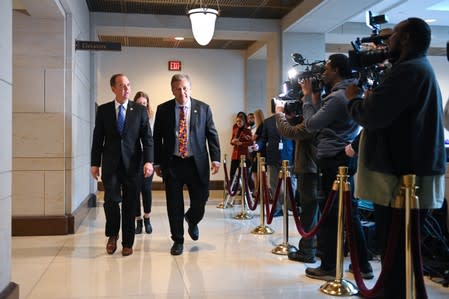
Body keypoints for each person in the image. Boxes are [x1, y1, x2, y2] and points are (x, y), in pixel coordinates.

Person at [346, 17, 446, 298]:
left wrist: (354, 99)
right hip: (405, 174)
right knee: (397, 246)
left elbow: (373, 116)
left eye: (392, 37)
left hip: (401, 180)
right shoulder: (415, 69)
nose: (386, 43)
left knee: (395, 244)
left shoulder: (409, 71)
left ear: (405, 40)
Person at [301, 54, 373, 281]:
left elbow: (311, 124)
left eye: (327, 69)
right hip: (342, 159)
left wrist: (306, 98)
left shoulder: (337, 98)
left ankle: (329, 266)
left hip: (334, 161)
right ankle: (363, 265)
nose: (323, 73)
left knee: (331, 215)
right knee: (349, 214)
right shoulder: (346, 93)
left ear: (338, 71)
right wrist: (315, 98)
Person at [153, 73, 221, 256]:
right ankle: (178, 240)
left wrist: (215, 158)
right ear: (172, 90)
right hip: (173, 163)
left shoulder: (203, 108)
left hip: (196, 163)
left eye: (184, 88)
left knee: (201, 199)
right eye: (177, 88)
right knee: (174, 204)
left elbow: (211, 134)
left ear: (190, 88)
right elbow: (156, 138)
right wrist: (157, 162)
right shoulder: (163, 109)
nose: (181, 92)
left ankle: (192, 219)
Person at [91, 74, 154, 257]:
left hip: (133, 164)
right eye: (122, 86)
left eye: (128, 85)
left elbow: (147, 138)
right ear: (113, 89)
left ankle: (128, 242)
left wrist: (149, 161)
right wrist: (95, 163)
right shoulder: (103, 111)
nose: (126, 89)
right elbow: (97, 139)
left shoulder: (139, 111)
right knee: (111, 201)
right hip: (110, 164)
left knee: (130, 203)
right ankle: (112, 235)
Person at [275, 105, 319, 263]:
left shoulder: (314, 119)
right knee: (313, 210)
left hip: (309, 169)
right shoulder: (317, 115)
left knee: (309, 210)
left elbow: (289, 132)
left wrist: (279, 114)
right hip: (310, 168)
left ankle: (307, 250)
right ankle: (316, 246)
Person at [133, 91, 155, 234]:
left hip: (147, 159)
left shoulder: (151, 119)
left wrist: (151, 161)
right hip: (134, 159)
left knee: (146, 189)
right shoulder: (131, 118)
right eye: (139, 103)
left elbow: (152, 142)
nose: (142, 106)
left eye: (144, 104)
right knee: (134, 191)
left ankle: (147, 218)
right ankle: (138, 221)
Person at [229, 112, 252, 188]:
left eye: (240, 121)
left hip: (244, 155)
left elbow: (251, 142)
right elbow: (231, 141)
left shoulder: (247, 129)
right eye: (237, 121)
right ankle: (232, 190)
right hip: (235, 155)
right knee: (232, 173)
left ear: (244, 121)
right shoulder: (234, 127)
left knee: (245, 175)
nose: (238, 123)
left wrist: (241, 143)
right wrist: (233, 141)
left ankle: (246, 190)